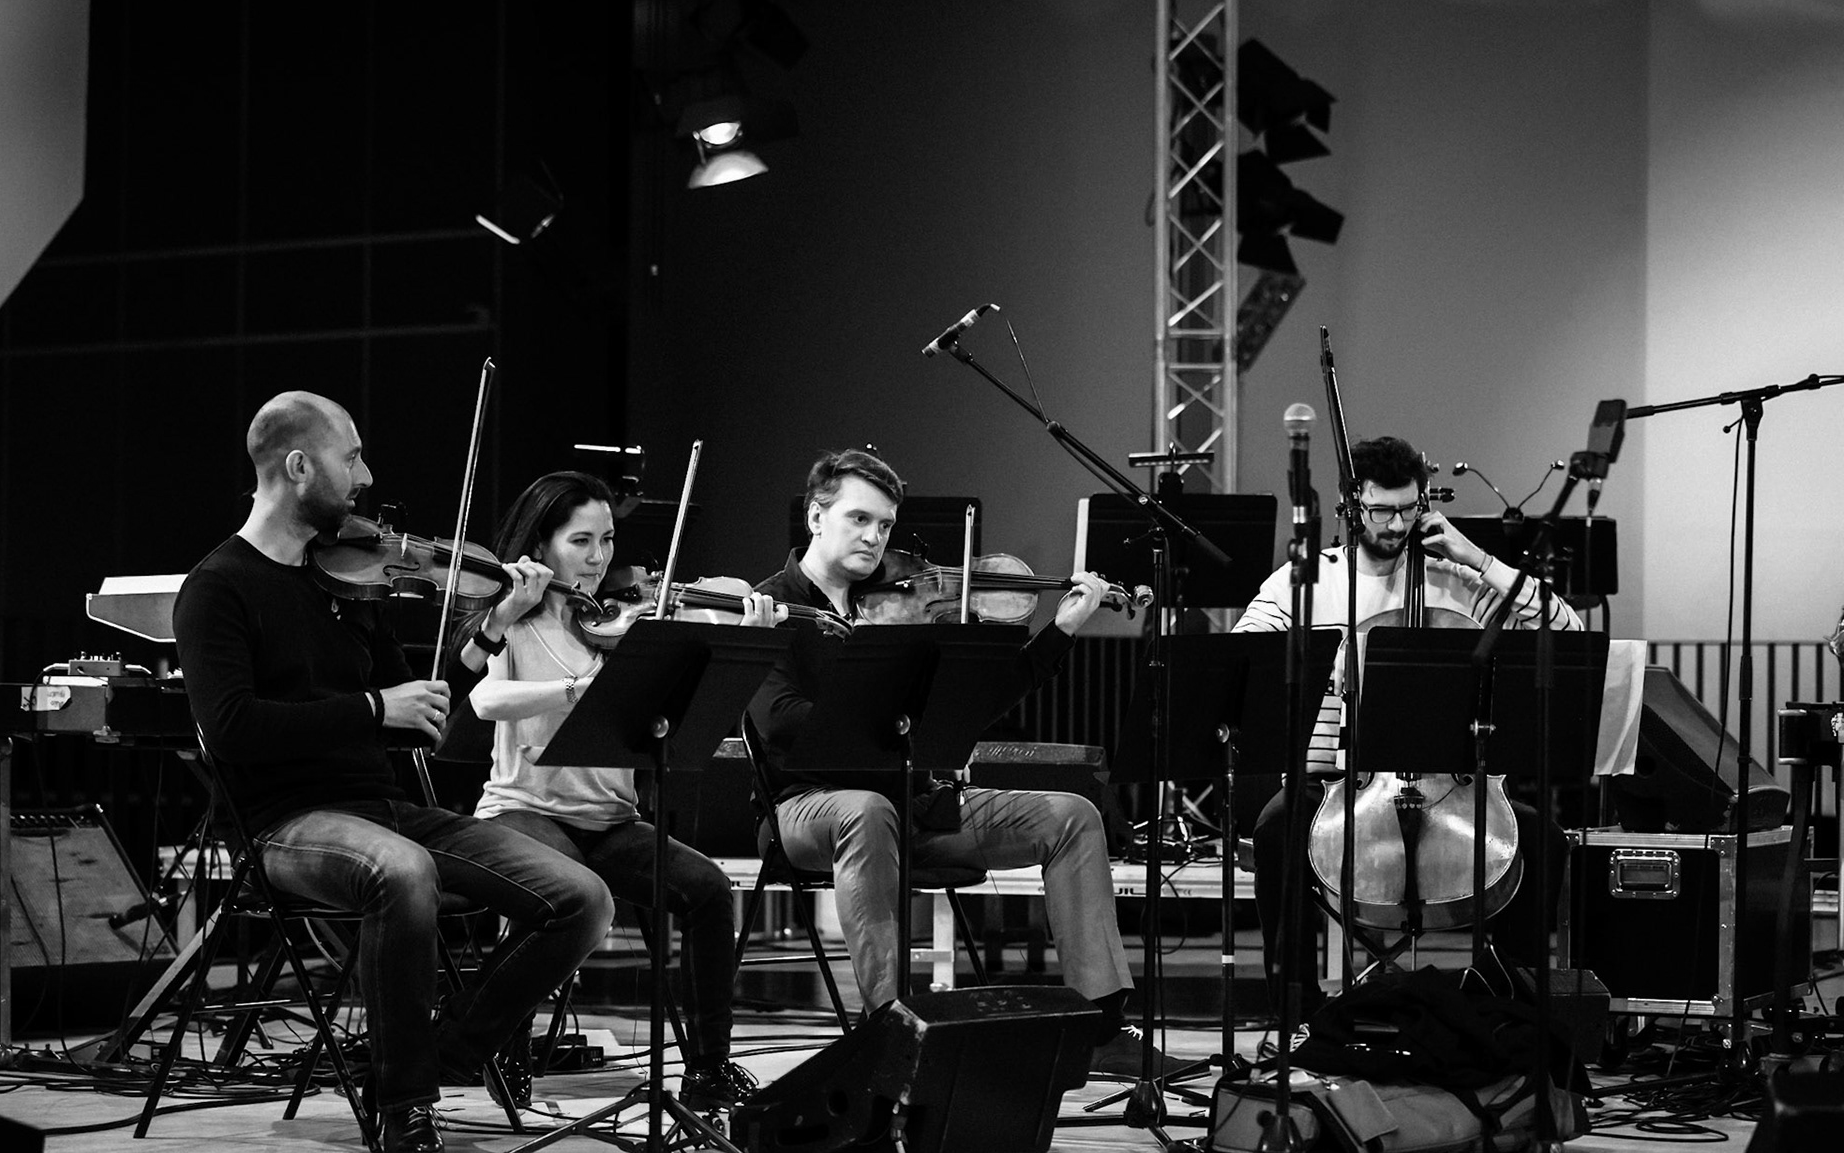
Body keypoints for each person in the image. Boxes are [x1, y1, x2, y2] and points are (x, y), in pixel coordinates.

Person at [174, 392, 615, 1153]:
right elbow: (233, 729)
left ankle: (444, 1055)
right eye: (352, 458)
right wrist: (374, 707)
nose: (367, 476)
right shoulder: (218, 587)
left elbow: (424, 709)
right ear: (298, 465)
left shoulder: (346, 583)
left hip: (386, 807)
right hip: (287, 823)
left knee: (582, 899)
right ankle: (404, 1104)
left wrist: (491, 629)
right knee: (402, 872)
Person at [748, 448, 1168, 1077]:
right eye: (860, 519)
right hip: (812, 806)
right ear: (816, 516)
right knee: (866, 812)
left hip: (916, 801)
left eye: (885, 525)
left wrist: (1062, 630)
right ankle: (891, 1032)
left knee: (1073, 815)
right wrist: (872, 687)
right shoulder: (770, 606)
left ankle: (1101, 1027)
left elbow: (979, 702)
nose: (874, 538)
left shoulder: (905, 605)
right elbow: (779, 723)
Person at [456, 471, 776, 1110]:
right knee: (568, 885)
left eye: (607, 539)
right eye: (581, 541)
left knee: (710, 890)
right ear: (542, 547)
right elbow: (485, 698)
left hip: (611, 819)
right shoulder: (512, 619)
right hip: (524, 811)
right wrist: (579, 691)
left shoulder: (631, 625)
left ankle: (709, 1068)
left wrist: (742, 642)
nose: (600, 558)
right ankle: (499, 1039)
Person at [1232, 435, 1584, 1014]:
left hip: (1454, 788)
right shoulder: (1309, 580)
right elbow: (1243, 661)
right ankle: (1298, 1015)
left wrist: (1480, 560)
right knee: (1276, 831)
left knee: (1541, 841)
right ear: (1352, 503)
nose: (1397, 524)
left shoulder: (1458, 579)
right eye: (1382, 510)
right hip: (1340, 782)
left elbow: (1565, 632)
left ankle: (1505, 1009)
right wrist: (1325, 658)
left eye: (1410, 507)